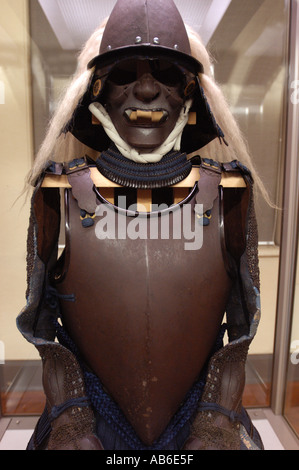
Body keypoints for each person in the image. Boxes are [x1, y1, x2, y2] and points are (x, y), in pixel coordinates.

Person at [18, 0, 264, 450]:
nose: (147, 91)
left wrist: (218, 416)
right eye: (124, 74)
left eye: (167, 75)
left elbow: (243, 316)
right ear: (98, 91)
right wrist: (70, 415)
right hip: (91, 412)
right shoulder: (57, 191)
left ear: (190, 92)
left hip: (201, 412)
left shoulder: (230, 190)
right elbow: (41, 314)